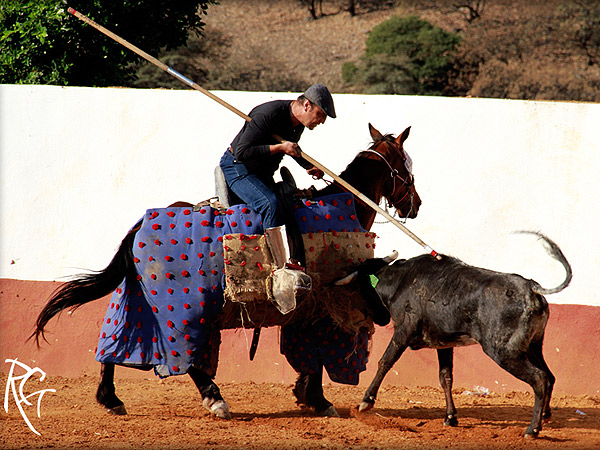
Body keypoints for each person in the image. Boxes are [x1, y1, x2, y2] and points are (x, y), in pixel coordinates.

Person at [219, 84, 336, 232]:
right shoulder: (268, 114)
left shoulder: (299, 124)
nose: (322, 121)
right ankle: (275, 254)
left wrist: (308, 166)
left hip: (262, 174)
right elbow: (242, 152)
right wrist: (279, 148)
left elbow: (292, 148)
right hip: (238, 167)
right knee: (270, 204)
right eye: (320, 114)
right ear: (307, 105)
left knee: (287, 205)